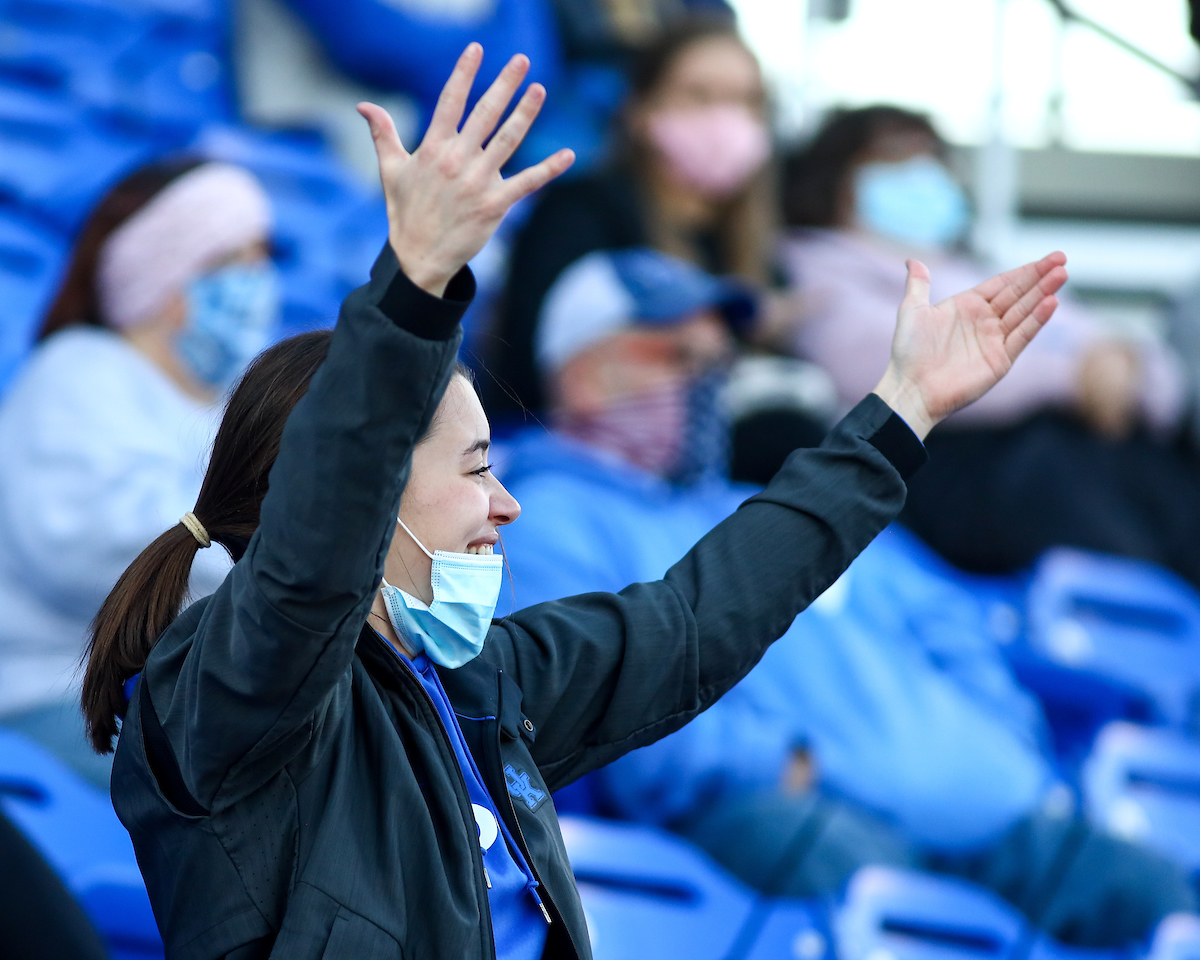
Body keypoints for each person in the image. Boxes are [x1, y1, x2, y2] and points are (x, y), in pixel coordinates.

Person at [82, 44, 1066, 960]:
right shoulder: (229, 688)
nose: (508, 504)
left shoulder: (477, 681)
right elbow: (314, 546)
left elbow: (697, 615)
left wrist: (899, 414)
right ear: (373, 491)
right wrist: (417, 286)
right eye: (475, 468)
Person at [776, 106, 1200, 586]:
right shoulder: (816, 269)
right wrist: (1071, 378)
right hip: (954, 471)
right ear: (836, 178)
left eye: (930, 159)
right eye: (894, 159)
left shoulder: (975, 266)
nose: (920, 175)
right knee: (1057, 473)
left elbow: (1145, 366)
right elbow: (891, 365)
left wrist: (1127, 370)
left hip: (1085, 451)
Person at [0, 158, 276, 784]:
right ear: (163, 275)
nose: (255, 281)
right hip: (52, 700)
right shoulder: (80, 370)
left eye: (260, 257)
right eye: (226, 263)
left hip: (173, 703)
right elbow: (92, 546)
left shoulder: (224, 404)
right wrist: (279, 576)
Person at [486, 13, 776, 420]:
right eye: (699, 95)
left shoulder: (757, 246)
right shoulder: (578, 212)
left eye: (746, 100)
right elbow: (527, 375)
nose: (725, 119)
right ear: (642, 110)